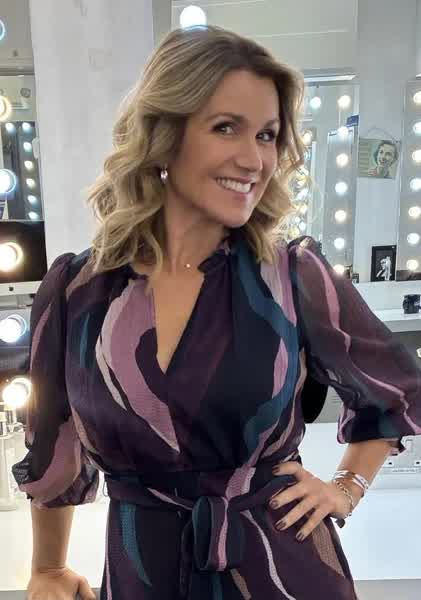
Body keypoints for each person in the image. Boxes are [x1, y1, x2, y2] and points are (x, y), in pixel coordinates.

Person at [12, 25, 421, 600]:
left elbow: (396, 391)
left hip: (280, 568)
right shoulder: (80, 291)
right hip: (144, 571)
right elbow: (53, 444)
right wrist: (49, 568)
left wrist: (346, 487)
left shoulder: (291, 276)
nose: (254, 159)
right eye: (226, 127)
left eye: (267, 135)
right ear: (164, 134)